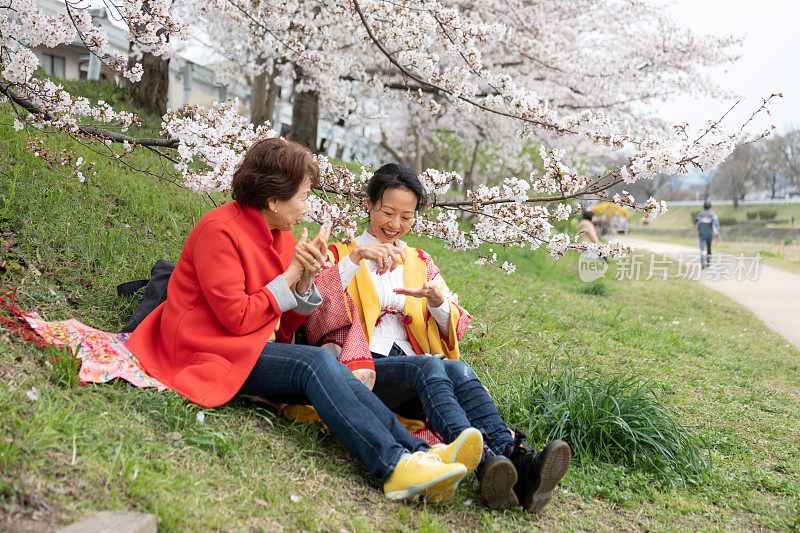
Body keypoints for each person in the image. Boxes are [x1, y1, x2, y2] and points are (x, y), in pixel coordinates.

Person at [125, 139, 485, 502]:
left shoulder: (280, 235)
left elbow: (284, 324)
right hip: (207, 347)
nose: (306, 207)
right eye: (302, 197)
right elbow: (237, 319)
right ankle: (394, 465)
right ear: (273, 200)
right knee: (315, 363)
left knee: (327, 364)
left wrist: (306, 281)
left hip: (250, 345)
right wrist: (290, 277)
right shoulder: (218, 230)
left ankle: (418, 455)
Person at [306, 163, 571, 513]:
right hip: (365, 370)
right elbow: (316, 314)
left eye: (406, 216)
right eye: (387, 212)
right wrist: (355, 259)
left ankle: (517, 461)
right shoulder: (342, 254)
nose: (395, 225)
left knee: (458, 372)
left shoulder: (420, 260)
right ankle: (485, 463)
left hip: (414, 367)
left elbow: (454, 324)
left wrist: (436, 301)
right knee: (429, 366)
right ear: (368, 204)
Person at [695, 199, 721, 268]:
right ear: (710, 206)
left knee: (702, 249)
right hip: (709, 235)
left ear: (704, 206)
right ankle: (708, 263)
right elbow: (715, 226)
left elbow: (696, 225)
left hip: (702, 234)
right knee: (709, 248)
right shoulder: (713, 215)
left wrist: (699, 229)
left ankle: (703, 261)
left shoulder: (699, 215)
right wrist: (718, 234)